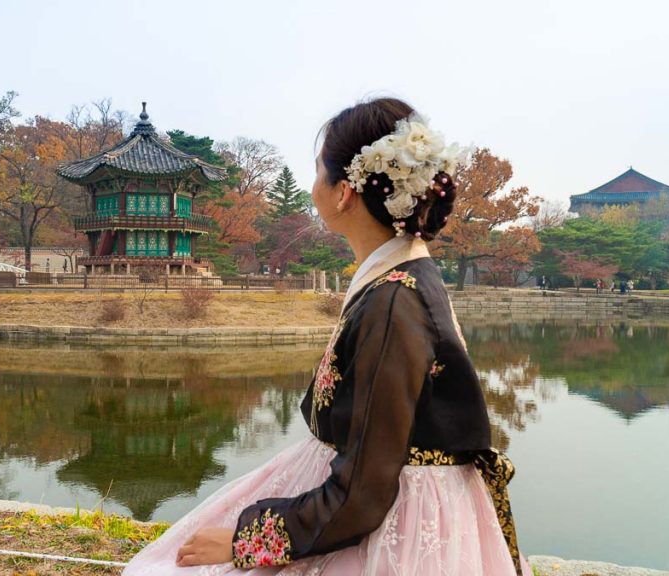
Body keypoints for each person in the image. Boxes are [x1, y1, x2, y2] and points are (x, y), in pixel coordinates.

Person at [124, 98, 531, 576]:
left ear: (344, 192)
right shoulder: (400, 276)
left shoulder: (393, 303)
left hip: (383, 517)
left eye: (318, 171)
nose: (311, 185)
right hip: (376, 498)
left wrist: (244, 541)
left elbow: (364, 493)